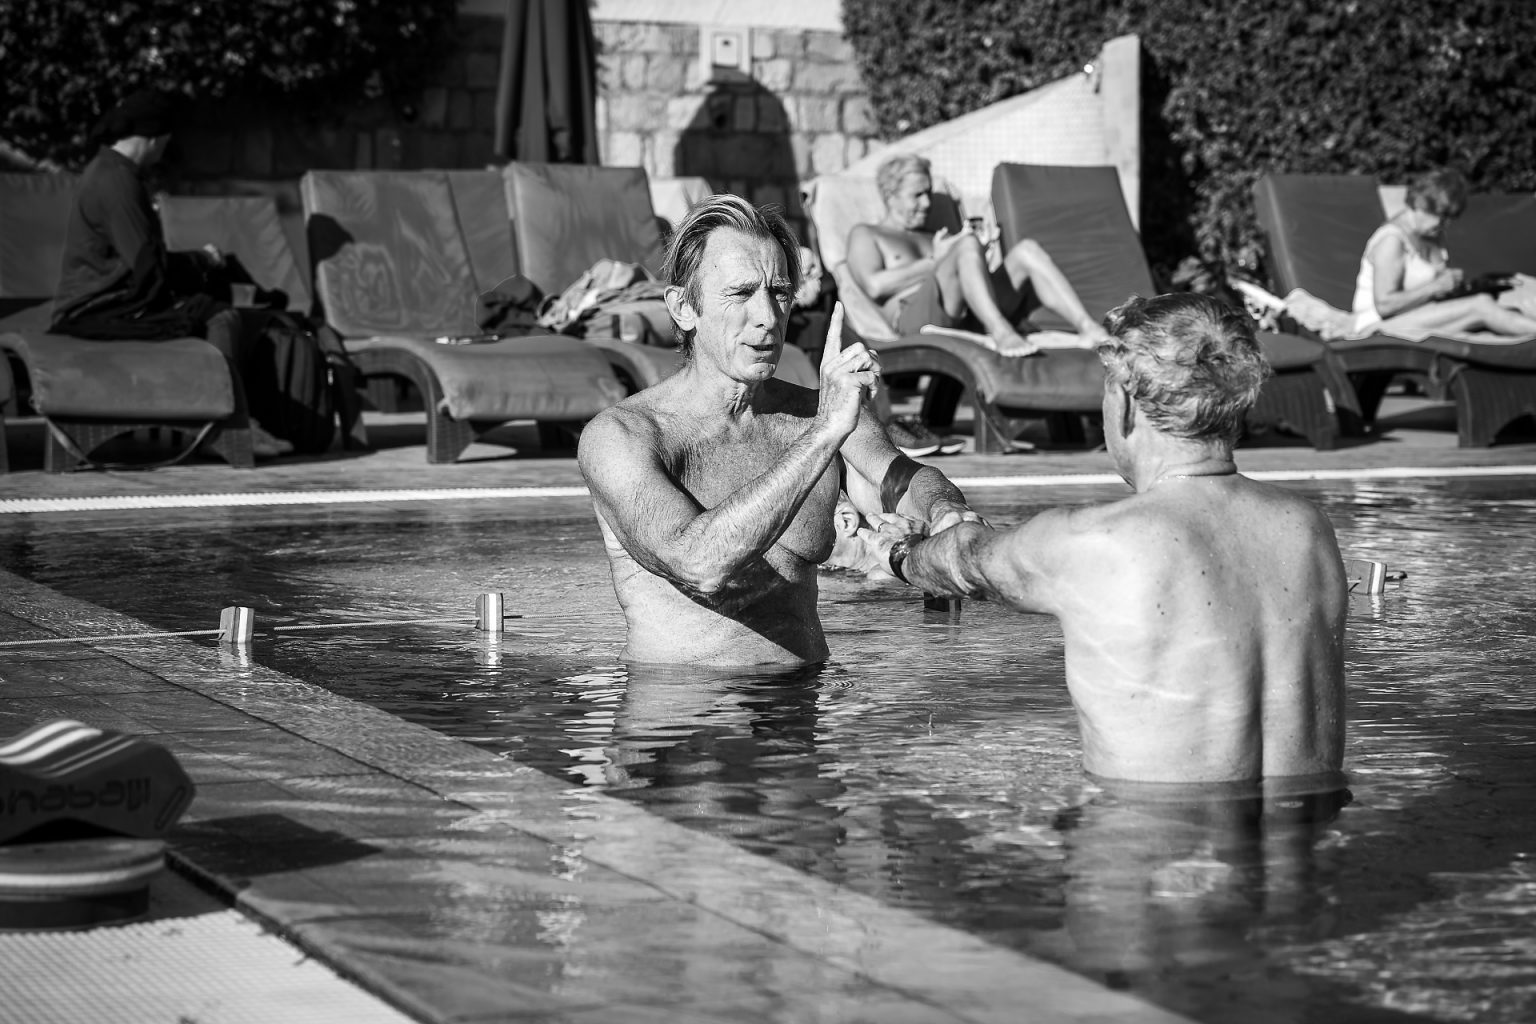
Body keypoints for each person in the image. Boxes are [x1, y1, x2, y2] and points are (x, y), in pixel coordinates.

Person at [858, 293, 1349, 784]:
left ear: (1129, 404)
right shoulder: (1309, 531)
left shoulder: (1095, 541)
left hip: (1145, 841)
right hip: (1309, 838)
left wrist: (900, 553)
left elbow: (963, 558)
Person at [577, 194, 982, 667]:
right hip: (681, 717)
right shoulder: (622, 437)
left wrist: (946, 511)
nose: (768, 317)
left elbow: (898, 478)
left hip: (802, 711)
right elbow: (699, 564)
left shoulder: (818, 413)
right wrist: (823, 436)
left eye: (780, 292)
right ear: (684, 308)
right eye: (741, 293)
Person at [50, 88, 292, 457]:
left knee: (215, 300)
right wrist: (201, 261)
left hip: (112, 300)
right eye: (165, 141)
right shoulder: (117, 181)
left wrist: (202, 263)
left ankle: (230, 418)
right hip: (98, 308)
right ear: (153, 139)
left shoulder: (109, 170)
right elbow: (148, 266)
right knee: (221, 317)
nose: (165, 149)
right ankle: (228, 428)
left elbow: (143, 260)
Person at [844, 153, 1112, 358]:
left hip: (966, 313)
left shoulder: (934, 236)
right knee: (966, 244)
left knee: (1026, 251)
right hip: (917, 319)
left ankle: (1087, 326)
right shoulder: (867, 234)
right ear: (891, 196)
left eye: (928, 193)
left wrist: (981, 253)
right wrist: (937, 261)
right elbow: (873, 285)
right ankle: (1001, 331)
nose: (926, 203)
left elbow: (964, 275)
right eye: (917, 195)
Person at [1351, 168, 1536, 339]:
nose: (1444, 225)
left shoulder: (1432, 235)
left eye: (1450, 219)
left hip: (1415, 317)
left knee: (1503, 304)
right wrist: (1435, 287)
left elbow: (1432, 292)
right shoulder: (1392, 240)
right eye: (1441, 216)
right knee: (1481, 306)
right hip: (1378, 326)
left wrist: (1457, 287)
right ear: (1420, 204)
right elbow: (1384, 306)